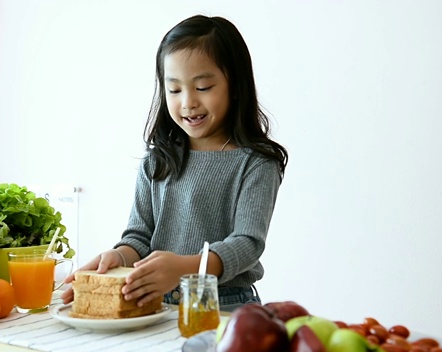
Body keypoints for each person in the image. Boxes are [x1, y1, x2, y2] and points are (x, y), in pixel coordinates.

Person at [61, 14, 288, 313]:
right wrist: (119, 257)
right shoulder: (158, 160)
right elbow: (139, 237)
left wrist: (184, 268)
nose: (188, 102)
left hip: (224, 305)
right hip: (157, 303)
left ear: (236, 85)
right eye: (175, 89)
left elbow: (247, 244)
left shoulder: (256, 163)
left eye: (203, 87)